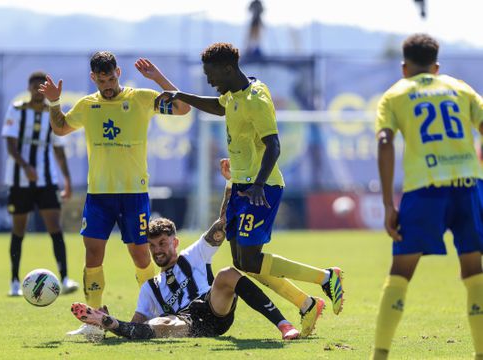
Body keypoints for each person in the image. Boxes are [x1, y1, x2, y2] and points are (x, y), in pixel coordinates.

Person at [154, 43, 344, 338]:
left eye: (211, 73)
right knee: (242, 262)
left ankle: (326, 277)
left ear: (228, 69)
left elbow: (274, 145)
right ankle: (306, 304)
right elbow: (219, 107)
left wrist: (257, 183)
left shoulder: (256, 99)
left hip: (261, 187)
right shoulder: (232, 93)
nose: (208, 80)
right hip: (241, 186)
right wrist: (182, 95)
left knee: (251, 260)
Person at [39, 52, 191, 337]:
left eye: (111, 78)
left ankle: (156, 313)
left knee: (141, 257)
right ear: (93, 78)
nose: (107, 84)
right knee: (93, 254)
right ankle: (92, 322)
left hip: (134, 194)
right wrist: (54, 101)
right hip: (98, 195)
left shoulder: (141, 98)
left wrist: (157, 78)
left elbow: (182, 108)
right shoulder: (87, 105)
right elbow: (60, 129)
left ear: (118, 73)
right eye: (101, 79)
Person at [71, 183, 300, 341]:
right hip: (187, 323)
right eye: (152, 246)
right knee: (164, 322)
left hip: (214, 306)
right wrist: (114, 326)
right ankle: (107, 322)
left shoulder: (195, 254)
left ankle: (284, 325)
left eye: (162, 243)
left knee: (227, 273)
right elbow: (138, 325)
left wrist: (230, 182)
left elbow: (222, 223)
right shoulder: (150, 287)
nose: (157, 250)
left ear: (175, 242)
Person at [372, 33, 483, 359]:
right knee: (475, 272)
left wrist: (388, 205)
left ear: (404, 67)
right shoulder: (459, 88)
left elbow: (383, 143)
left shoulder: (395, 94)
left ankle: (379, 355)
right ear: (436, 66)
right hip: (468, 187)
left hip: (425, 191)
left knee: (401, 272)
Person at [1, 71, 78, 297]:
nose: (37, 90)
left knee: (55, 226)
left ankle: (64, 278)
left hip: (46, 180)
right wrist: (25, 166)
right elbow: (11, 145)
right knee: (19, 230)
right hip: (19, 180)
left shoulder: (52, 114)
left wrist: (67, 180)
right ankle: (14, 281)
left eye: (41, 87)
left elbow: (58, 148)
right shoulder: (16, 109)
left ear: (45, 90)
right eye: (34, 86)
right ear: (28, 88)